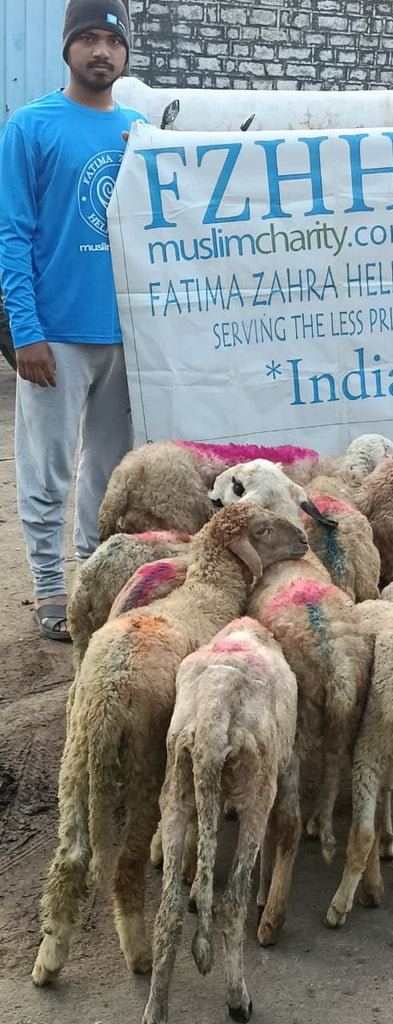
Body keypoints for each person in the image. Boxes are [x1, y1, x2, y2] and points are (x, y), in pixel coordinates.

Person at [0, 0, 146, 642]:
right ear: (67, 48)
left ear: (124, 54)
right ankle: (50, 589)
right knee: (48, 467)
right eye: (87, 39)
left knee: (110, 472)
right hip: (55, 333)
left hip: (129, 336)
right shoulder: (31, 127)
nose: (99, 52)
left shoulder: (142, 132)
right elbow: (12, 233)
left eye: (111, 41)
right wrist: (24, 330)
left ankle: (92, 580)